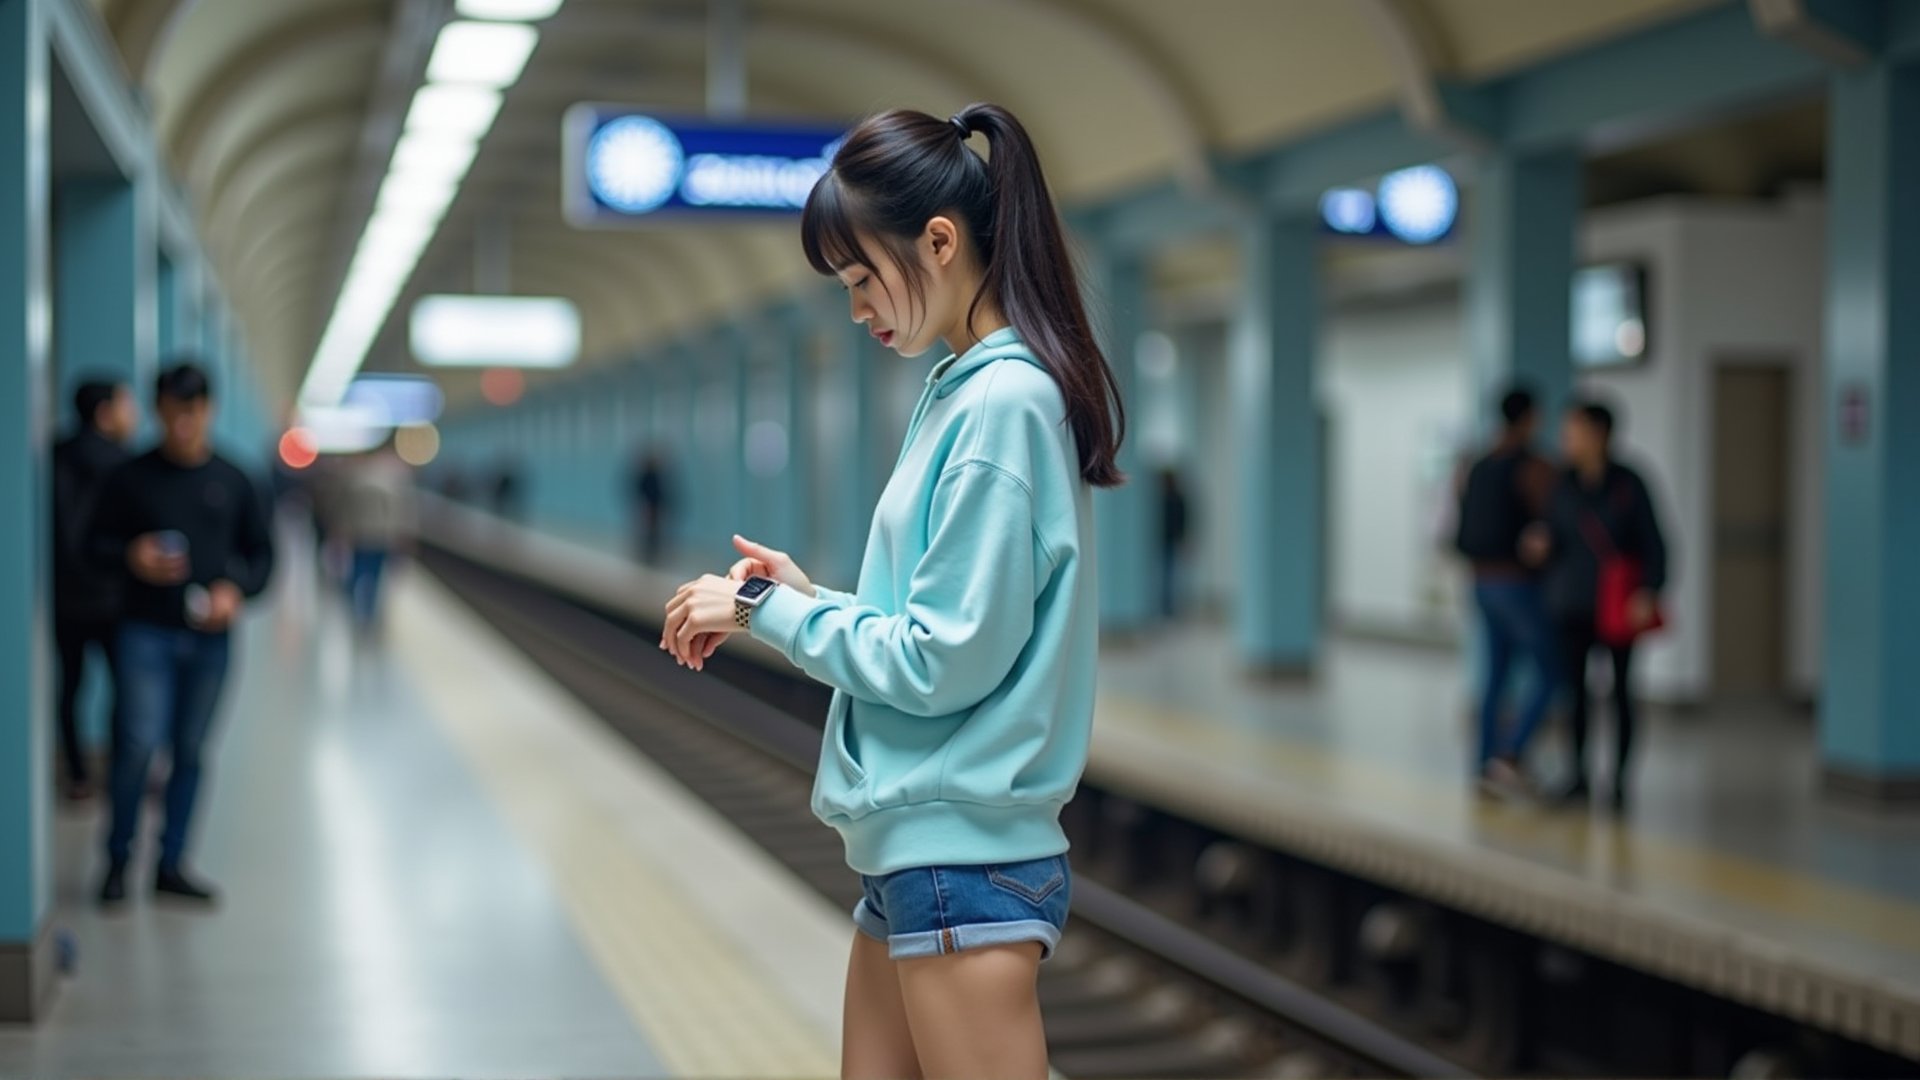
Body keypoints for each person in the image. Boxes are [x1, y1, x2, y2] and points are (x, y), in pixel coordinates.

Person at [659, 104, 1124, 1080]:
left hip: (964, 858)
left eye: (863, 276)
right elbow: (939, 625)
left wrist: (760, 611)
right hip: (919, 855)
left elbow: (941, 659)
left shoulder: (1002, 403)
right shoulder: (962, 389)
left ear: (941, 242)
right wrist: (804, 593)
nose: (858, 307)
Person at [87, 363, 275, 906]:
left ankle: (172, 863)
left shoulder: (235, 480)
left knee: (190, 751)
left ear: (208, 411)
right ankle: (118, 860)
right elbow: (91, 546)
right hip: (144, 631)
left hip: (211, 639)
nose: (183, 424)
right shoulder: (129, 478)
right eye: (172, 412)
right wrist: (131, 556)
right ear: (158, 411)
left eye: (192, 412)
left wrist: (235, 591)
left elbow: (262, 557)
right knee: (137, 746)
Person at [1532, 400, 1668, 813]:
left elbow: (1655, 542)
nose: (1565, 440)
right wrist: (1542, 544)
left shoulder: (1629, 484)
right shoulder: (1563, 484)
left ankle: (1621, 782)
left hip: (1617, 604)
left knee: (1622, 692)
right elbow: (1556, 533)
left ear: (1598, 434)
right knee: (1575, 694)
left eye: (1571, 431)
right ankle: (1579, 776)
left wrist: (1649, 590)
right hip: (1571, 603)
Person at [1454, 387, 1558, 796]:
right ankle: (1509, 754)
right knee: (1553, 670)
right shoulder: (1532, 467)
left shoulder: (1478, 464)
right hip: (1517, 583)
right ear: (1531, 418)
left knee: (1495, 676)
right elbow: (1552, 519)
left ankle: (1484, 763)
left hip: (1480, 581)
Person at [51, 379, 137, 801]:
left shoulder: (55, 455)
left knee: (70, 686)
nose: (132, 414)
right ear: (104, 413)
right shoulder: (124, 464)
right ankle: (124, 772)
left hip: (64, 597)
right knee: (127, 688)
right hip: (112, 595)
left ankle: (78, 773)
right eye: (126, 405)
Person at [338, 443, 416, 629]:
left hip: (361, 536)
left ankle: (355, 609)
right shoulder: (391, 483)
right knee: (375, 576)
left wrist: (344, 531)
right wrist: (402, 536)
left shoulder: (357, 480)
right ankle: (369, 614)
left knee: (357, 573)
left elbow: (347, 511)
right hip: (381, 537)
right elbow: (400, 513)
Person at [1157, 467, 1191, 620]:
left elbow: (1182, 520)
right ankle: (1165, 605)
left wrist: (1183, 539)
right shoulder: (1162, 498)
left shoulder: (1175, 499)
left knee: (1170, 575)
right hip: (1164, 541)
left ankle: (1169, 606)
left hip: (1171, 541)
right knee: (1165, 575)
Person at [630, 446, 673, 566]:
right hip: (650, 507)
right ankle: (648, 556)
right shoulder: (651, 476)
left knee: (653, 533)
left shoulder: (652, 475)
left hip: (654, 508)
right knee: (650, 532)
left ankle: (650, 556)